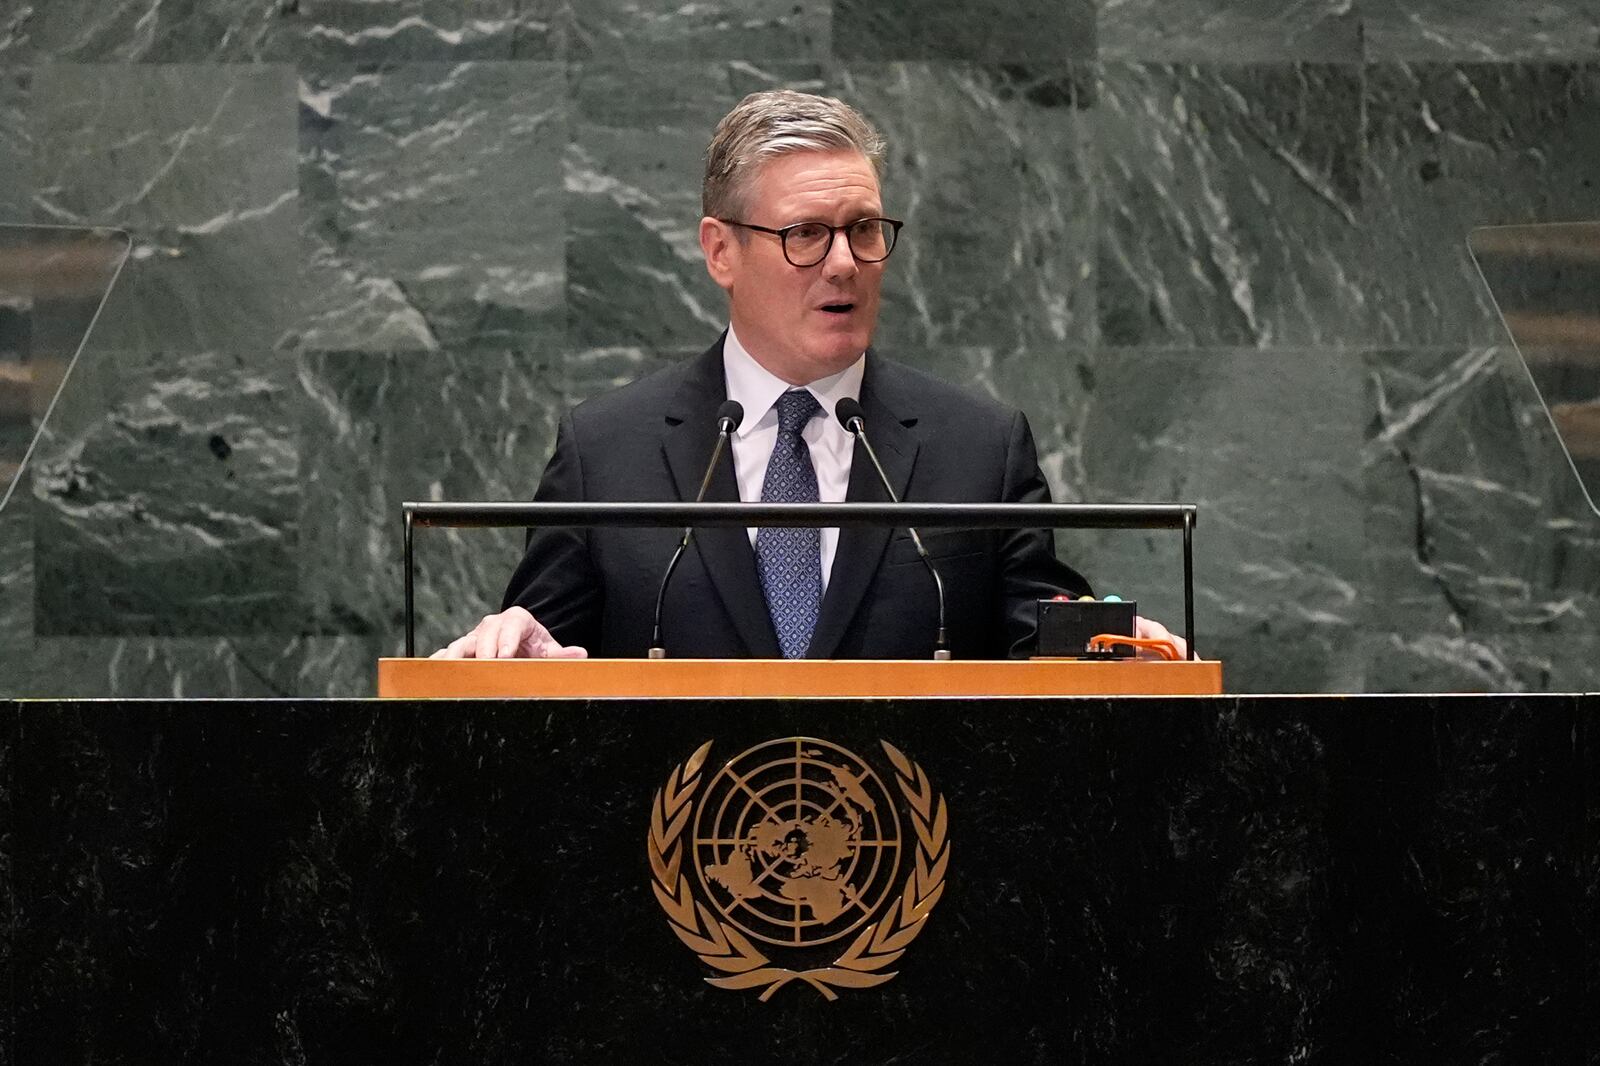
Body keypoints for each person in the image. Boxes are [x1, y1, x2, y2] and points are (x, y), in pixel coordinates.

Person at [434, 89, 1185, 661]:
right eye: (805, 234)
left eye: (863, 229)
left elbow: (1045, 649)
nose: (844, 262)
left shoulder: (979, 450)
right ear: (720, 251)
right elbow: (539, 666)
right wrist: (513, 645)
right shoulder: (606, 452)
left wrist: (1112, 650)